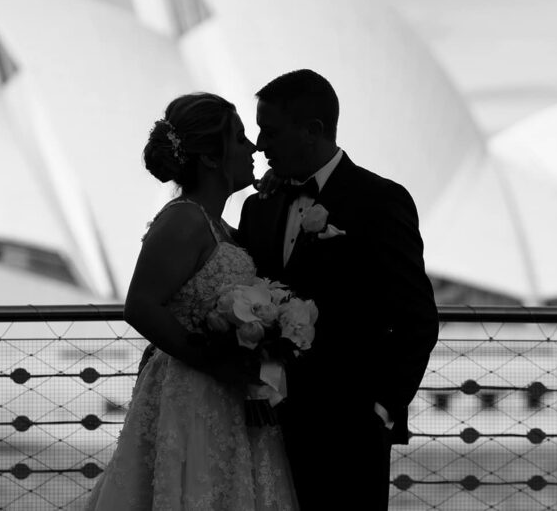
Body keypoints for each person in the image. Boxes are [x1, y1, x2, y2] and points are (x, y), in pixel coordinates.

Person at [237, 69, 440, 510]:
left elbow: (417, 320)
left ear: (312, 131)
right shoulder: (258, 207)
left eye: (269, 131)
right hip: (263, 428)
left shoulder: (380, 200)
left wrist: (382, 410)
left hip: (349, 434)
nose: (258, 144)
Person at [86, 93, 298, 511]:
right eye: (239, 139)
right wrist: (216, 363)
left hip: (227, 398)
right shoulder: (184, 218)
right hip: (193, 395)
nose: (252, 147)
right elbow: (141, 305)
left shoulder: (216, 224)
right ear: (211, 159)